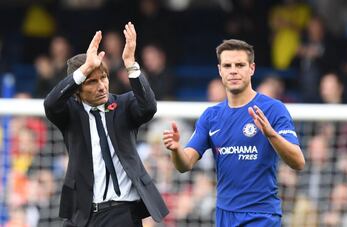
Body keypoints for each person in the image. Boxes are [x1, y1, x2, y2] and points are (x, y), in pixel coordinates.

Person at [162, 39, 305, 226]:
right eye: (227, 65)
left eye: (240, 65)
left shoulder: (273, 109)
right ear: (220, 70)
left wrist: (271, 134)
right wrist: (175, 149)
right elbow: (184, 164)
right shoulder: (211, 116)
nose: (233, 71)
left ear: (252, 68)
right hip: (225, 216)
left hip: (261, 215)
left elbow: (298, 162)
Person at [44, 22, 168, 227]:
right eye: (92, 81)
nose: (102, 86)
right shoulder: (70, 113)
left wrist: (130, 64)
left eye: (104, 78)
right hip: (81, 215)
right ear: (77, 89)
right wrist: (84, 70)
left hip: (122, 212)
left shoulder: (123, 104)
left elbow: (148, 108)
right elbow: (50, 104)